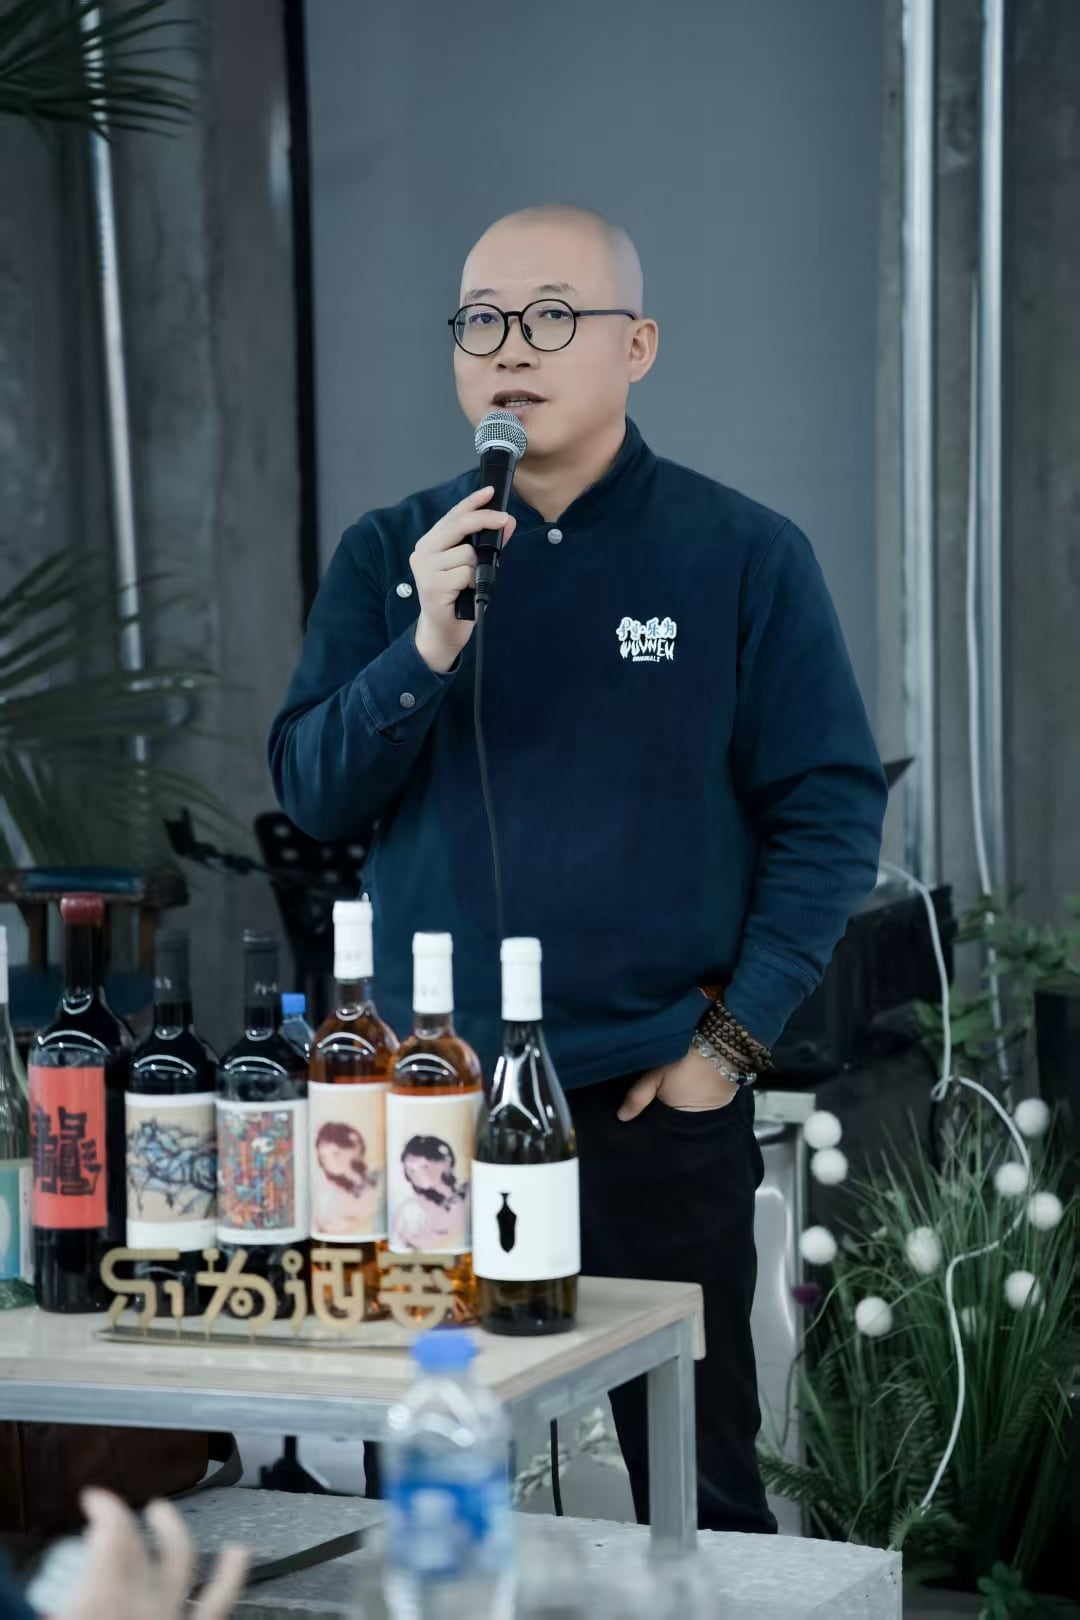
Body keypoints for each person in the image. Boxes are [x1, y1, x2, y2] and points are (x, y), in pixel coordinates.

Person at [269, 204, 887, 1532]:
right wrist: (425, 650)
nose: (511, 348)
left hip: (649, 1097)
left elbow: (831, 813)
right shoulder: (394, 555)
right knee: (432, 1480)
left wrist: (728, 1045)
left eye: (552, 316)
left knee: (702, 1489)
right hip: (434, 1107)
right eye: (481, 321)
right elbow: (313, 792)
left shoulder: (741, 554)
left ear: (637, 346)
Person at [390, 1135, 468, 1252]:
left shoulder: (467, 1198)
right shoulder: (410, 1211)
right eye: (411, 1170)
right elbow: (399, 1246)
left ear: (446, 1163)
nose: (417, 1175)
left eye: (424, 1167)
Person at [312, 1120, 381, 1235]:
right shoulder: (329, 1193)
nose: (330, 1162)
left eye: (336, 1153)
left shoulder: (378, 1178)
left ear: (355, 1148)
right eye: (323, 1157)